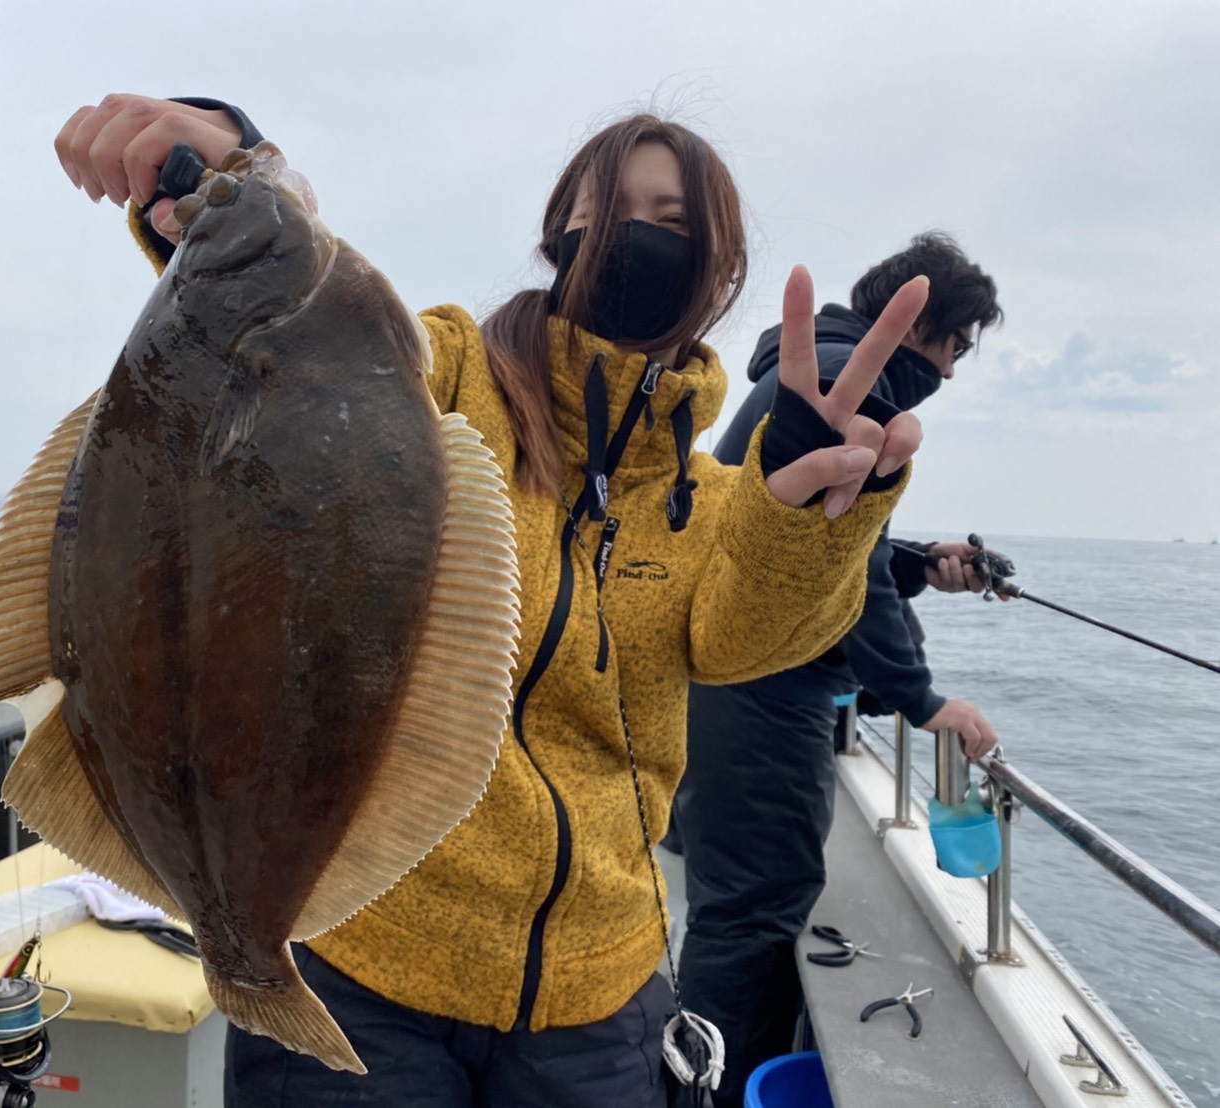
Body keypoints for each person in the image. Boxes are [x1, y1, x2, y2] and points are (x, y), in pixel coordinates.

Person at [55, 94, 932, 1108]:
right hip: (365, 961)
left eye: (673, 222)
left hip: (596, 999)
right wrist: (234, 182)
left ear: (719, 268)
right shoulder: (445, 373)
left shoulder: (708, 494)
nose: (635, 236)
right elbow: (300, 345)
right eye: (608, 209)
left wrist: (807, 512)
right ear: (558, 232)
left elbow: (744, 640)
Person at [670, 232, 1005, 1107]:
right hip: (764, 689)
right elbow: (841, 570)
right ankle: (706, 1092)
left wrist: (915, 561)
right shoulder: (862, 380)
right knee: (754, 908)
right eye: (956, 347)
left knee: (736, 899)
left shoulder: (819, 369)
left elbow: (827, 547)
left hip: (732, 676)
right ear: (924, 324)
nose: (955, 371)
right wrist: (923, 701)